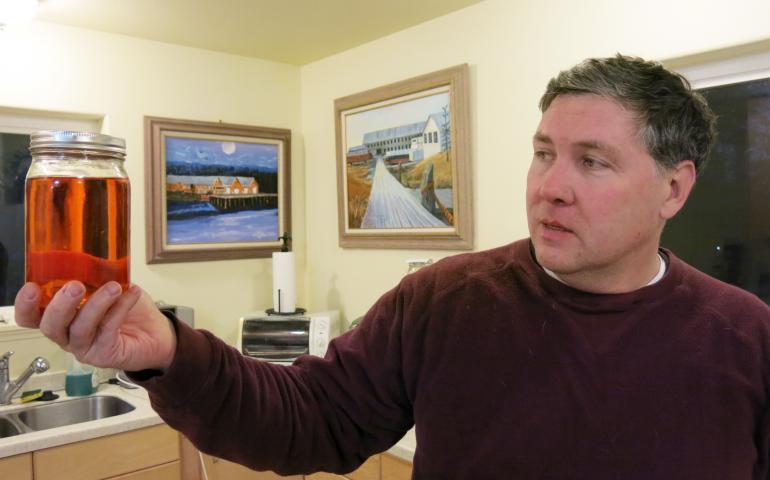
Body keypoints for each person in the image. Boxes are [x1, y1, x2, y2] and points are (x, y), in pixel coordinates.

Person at [14, 54, 770, 479]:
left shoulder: (745, 335)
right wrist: (172, 353)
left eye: (592, 161)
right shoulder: (447, 299)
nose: (550, 185)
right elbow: (309, 417)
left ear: (674, 188)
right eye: (544, 153)